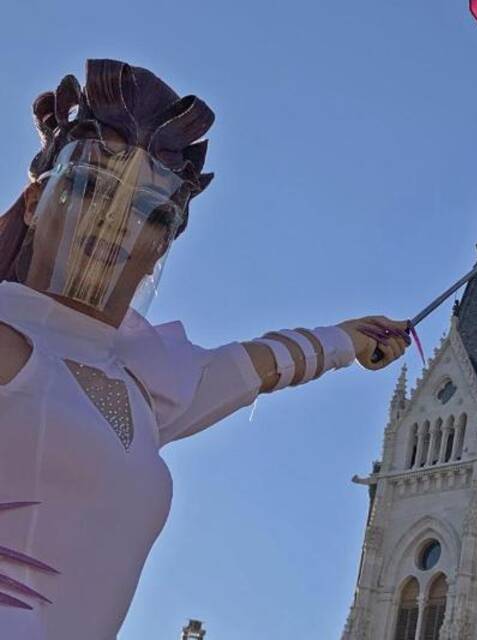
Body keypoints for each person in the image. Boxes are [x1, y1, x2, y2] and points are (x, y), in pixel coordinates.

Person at [0, 59, 410, 639]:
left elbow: (261, 364)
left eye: (149, 210)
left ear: (164, 240)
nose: (115, 220)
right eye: (90, 185)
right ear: (35, 202)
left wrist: (348, 339)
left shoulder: (147, 385)